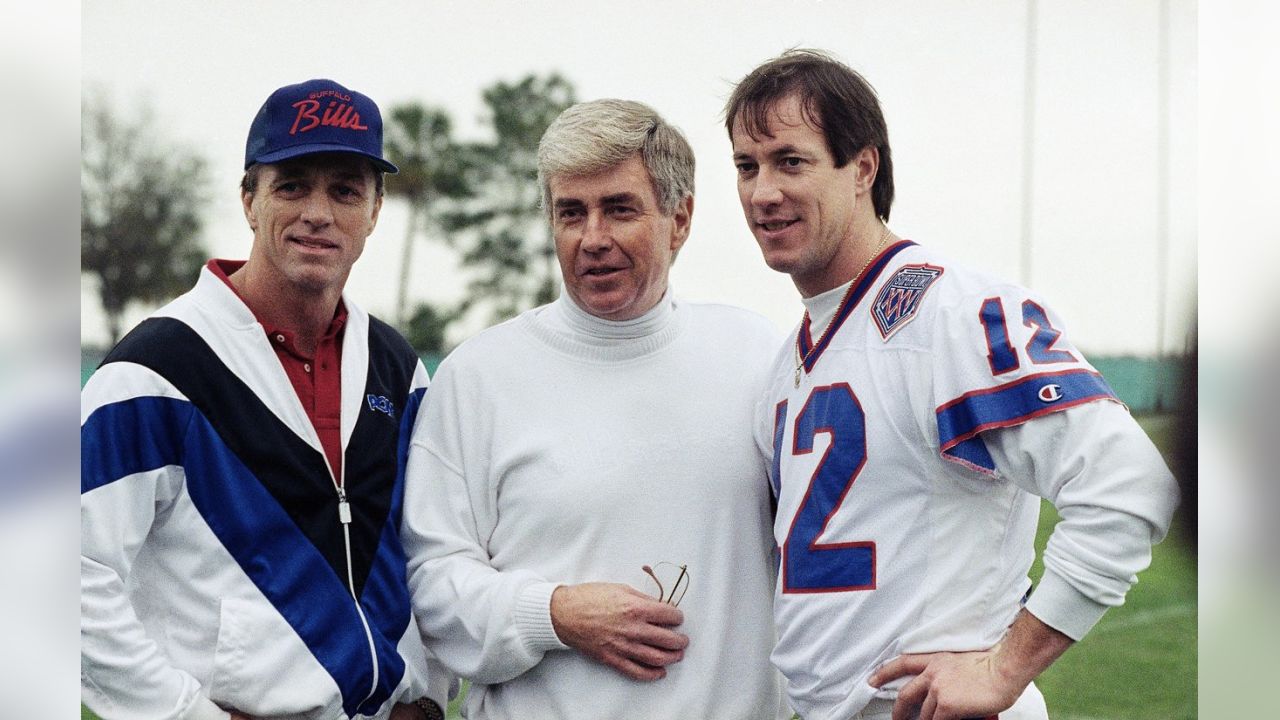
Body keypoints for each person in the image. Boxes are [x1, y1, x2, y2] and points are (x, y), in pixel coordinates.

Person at [724, 50, 1179, 720]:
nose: (763, 192)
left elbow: (1128, 486)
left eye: (791, 161)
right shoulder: (785, 363)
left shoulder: (952, 311)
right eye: (746, 166)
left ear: (863, 169)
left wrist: (1004, 668)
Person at [401, 99, 789, 720]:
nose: (593, 239)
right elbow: (429, 587)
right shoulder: (479, 376)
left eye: (619, 209)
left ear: (679, 219)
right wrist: (554, 614)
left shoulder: (758, 357)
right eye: (570, 213)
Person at [81, 79, 450, 720]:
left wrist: (426, 690)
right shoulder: (156, 370)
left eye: (345, 189)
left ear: (375, 209)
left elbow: (434, 553)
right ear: (249, 199)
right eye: (291, 185)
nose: (318, 212)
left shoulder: (399, 369)